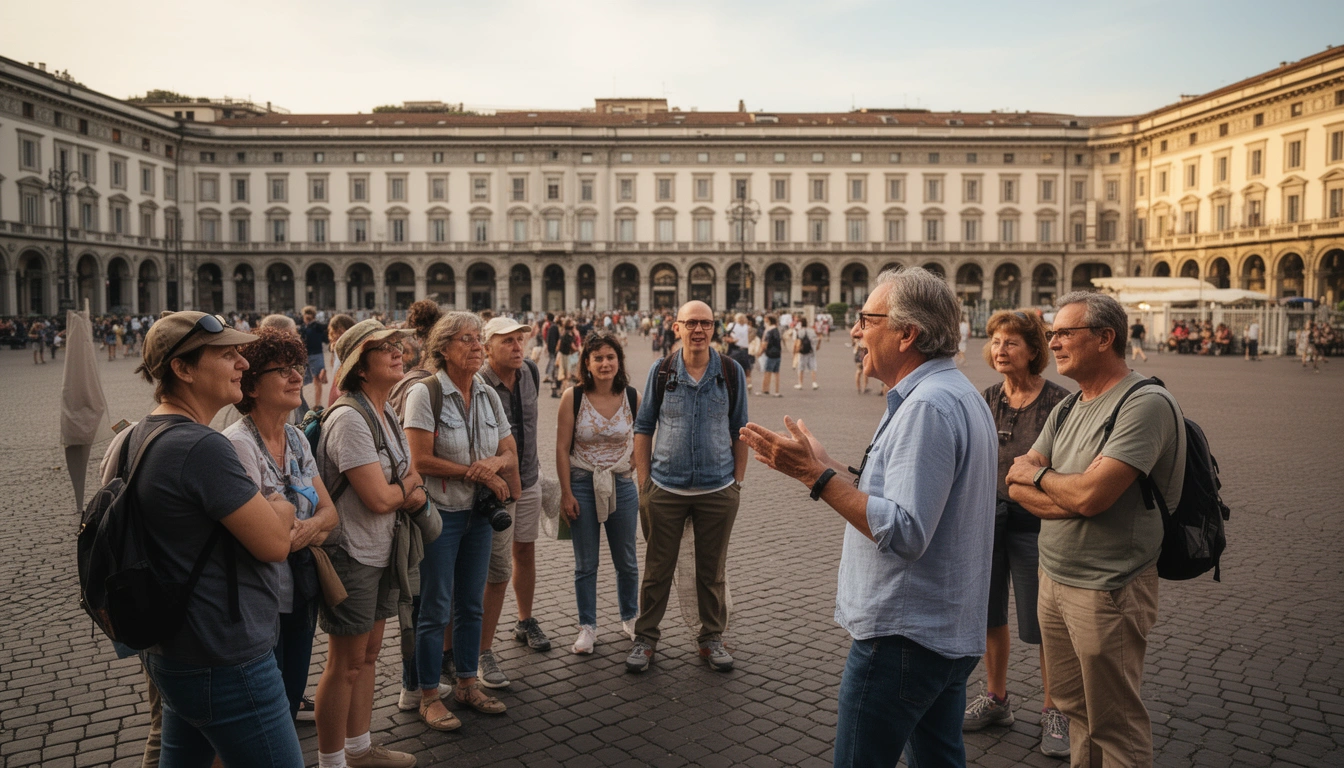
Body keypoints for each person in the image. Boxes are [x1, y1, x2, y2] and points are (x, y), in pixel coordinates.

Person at [739, 267, 996, 768]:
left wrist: (816, 479)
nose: (853, 331)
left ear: (907, 334)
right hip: (944, 628)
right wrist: (826, 463)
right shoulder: (955, 393)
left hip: (904, 637)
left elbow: (904, 530)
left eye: (865, 320)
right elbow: (906, 496)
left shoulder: (927, 407)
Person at [1006, 292, 1186, 768]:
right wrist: (1074, 495)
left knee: (1116, 725)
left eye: (1065, 333)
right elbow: (1013, 483)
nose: (1054, 343)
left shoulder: (1143, 404)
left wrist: (1047, 480)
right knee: (1075, 712)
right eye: (1052, 334)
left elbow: (1089, 495)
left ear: (1106, 338)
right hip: (1054, 579)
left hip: (1109, 589)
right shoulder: (1069, 408)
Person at [123, 311, 305, 767]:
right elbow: (274, 544)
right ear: (182, 370)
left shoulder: (134, 436)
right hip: (226, 655)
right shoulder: (202, 447)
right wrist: (281, 504)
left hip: (175, 647)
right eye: (226, 354)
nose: (242, 363)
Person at [314, 319, 426, 768]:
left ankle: (360, 749)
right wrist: (406, 490)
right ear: (360, 366)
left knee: (369, 655)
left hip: (383, 551)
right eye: (385, 348)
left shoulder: (384, 410)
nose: (399, 351)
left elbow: (407, 476)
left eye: (398, 344)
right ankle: (332, 761)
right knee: (344, 664)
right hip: (353, 553)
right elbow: (382, 496)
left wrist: (403, 486)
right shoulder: (348, 419)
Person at [962, 311, 1071, 758]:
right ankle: (997, 698)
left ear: (1033, 351)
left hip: (1035, 524)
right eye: (995, 341)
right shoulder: (985, 398)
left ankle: (1055, 710)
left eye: (1010, 342)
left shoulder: (1058, 404)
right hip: (988, 520)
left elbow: (1066, 467)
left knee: (1044, 622)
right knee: (989, 614)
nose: (1000, 349)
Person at [403, 312, 517, 731]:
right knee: (434, 606)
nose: (476, 346)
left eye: (477, 338)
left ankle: (468, 683)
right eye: (466, 339)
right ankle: (429, 694)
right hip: (441, 516)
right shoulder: (425, 393)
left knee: (470, 603)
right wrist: (475, 469)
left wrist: (494, 465)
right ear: (444, 348)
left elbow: (508, 448)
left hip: (480, 515)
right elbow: (420, 460)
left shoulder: (486, 392)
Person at [224, 327, 339, 724]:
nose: (298, 377)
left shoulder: (296, 436)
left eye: (298, 367)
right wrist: (307, 530)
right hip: (260, 600)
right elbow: (260, 540)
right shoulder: (237, 445)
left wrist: (300, 532)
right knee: (264, 707)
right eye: (283, 369)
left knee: (290, 696)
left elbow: (329, 513)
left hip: (301, 590)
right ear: (251, 385)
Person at [628, 300, 748, 673]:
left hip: (717, 489)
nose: (699, 330)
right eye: (691, 323)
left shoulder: (730, 371)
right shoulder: (661, 371)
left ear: (715, 328)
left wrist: (737, 484)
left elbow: (740, 429)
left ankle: (711, 637)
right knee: (657, 570)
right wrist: (644, 483)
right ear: (676, 327)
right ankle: (645, 639)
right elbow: (643, 426)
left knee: (711, 571)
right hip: (666, 488)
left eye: (706, 324)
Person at [556, 330, 641, 654]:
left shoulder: (632, 396)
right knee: (585, 563)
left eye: (610, 357)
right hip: (582, 484)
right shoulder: (573, 397)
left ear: (618, 361)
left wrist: (633, 462)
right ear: (587, 364)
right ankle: (587, 627)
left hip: (621, 485)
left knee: (627, 561)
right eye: (598, 358)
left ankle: (630, 617)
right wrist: (567, 493)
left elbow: (643, 437)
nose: (605, 364)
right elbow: (562, 448)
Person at [477, 316, 549, 690]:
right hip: (496, 491)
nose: (518, 346)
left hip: (531, 478)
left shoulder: (531, 372)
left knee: (526, 552)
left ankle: (524, 621)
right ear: (487, 348)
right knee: (496, 569)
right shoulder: (477, 384)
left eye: (520, 339)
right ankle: (483, 649)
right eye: (507, 341)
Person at [300, 306, 329, 408]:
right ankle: (302, 403)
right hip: (307, 355)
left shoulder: (317, 326)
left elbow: (326, 339)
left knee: (317, 380)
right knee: (302, 379)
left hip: (317, 354)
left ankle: (318, 403)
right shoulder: (303, 328)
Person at [325, 314, 356, 406]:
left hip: (346, 387)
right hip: (339, 386)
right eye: (335, 332)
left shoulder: (352, 347)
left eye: (340, 332)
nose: (338, 335)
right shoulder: (336, 347)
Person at [760, 314, 784, 397]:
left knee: (767, 372)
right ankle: (776, 390)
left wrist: (760, 352)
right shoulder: (777, 329)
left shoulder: (769, 330)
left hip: (770, 353)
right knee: (776, 372)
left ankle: (765, 389)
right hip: (777, 353)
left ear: (768, 321)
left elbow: (765, 343)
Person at [794, 319, 821, 390]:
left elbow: (798, 342)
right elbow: (817, 339)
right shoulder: (812, 331)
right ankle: (814, 382)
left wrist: (796, 351)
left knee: (801, 368)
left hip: (803, 352)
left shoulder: (800, 332)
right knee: (813, 367)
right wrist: (817, 346)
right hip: (811, 351)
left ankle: (800, 384)